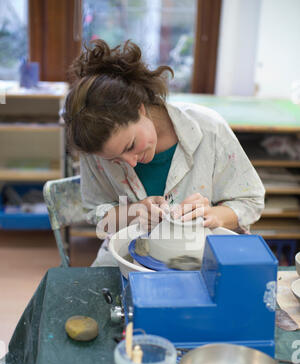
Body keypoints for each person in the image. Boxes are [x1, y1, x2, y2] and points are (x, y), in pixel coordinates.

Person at [63, 39, 265, 266]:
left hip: (202, 253)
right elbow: (99, 217)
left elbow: (251, 201)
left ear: (140, 109)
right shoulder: (97, 148)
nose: (129, 162)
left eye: (130, 146)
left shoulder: (209, 129)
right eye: (114, 160)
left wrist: (211, 215)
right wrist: (134, 212)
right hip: (132, 251)